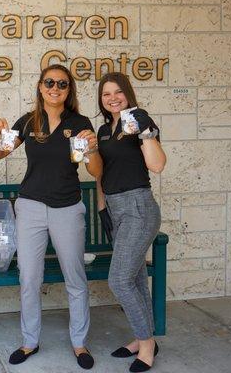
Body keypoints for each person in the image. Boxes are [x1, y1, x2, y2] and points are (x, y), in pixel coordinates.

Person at [0, 64, 102, 369]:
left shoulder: (79, 123)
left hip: (67, 207)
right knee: (29, 278)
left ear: (69, 90)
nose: (55, 88)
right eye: (49, 82)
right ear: (40, 87)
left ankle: (79, 343)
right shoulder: (28, 122)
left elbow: (94, 170)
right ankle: (30, 342)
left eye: (62, 84)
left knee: (75, 278)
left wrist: (91, 149)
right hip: (30, 208)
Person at [95, 72, 166, 373]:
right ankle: (142, 338)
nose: (113, 98)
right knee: (135, 279)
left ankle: (147, 344)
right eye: (106, 93)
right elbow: (101, 174)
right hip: (115, 208)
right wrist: (103, 211)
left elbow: (157, 165)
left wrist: (146, 132)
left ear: (128, 94)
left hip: (139, 206)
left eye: (118, 92)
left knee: (119, 280)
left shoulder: (138, 119)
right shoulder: (102, 130)